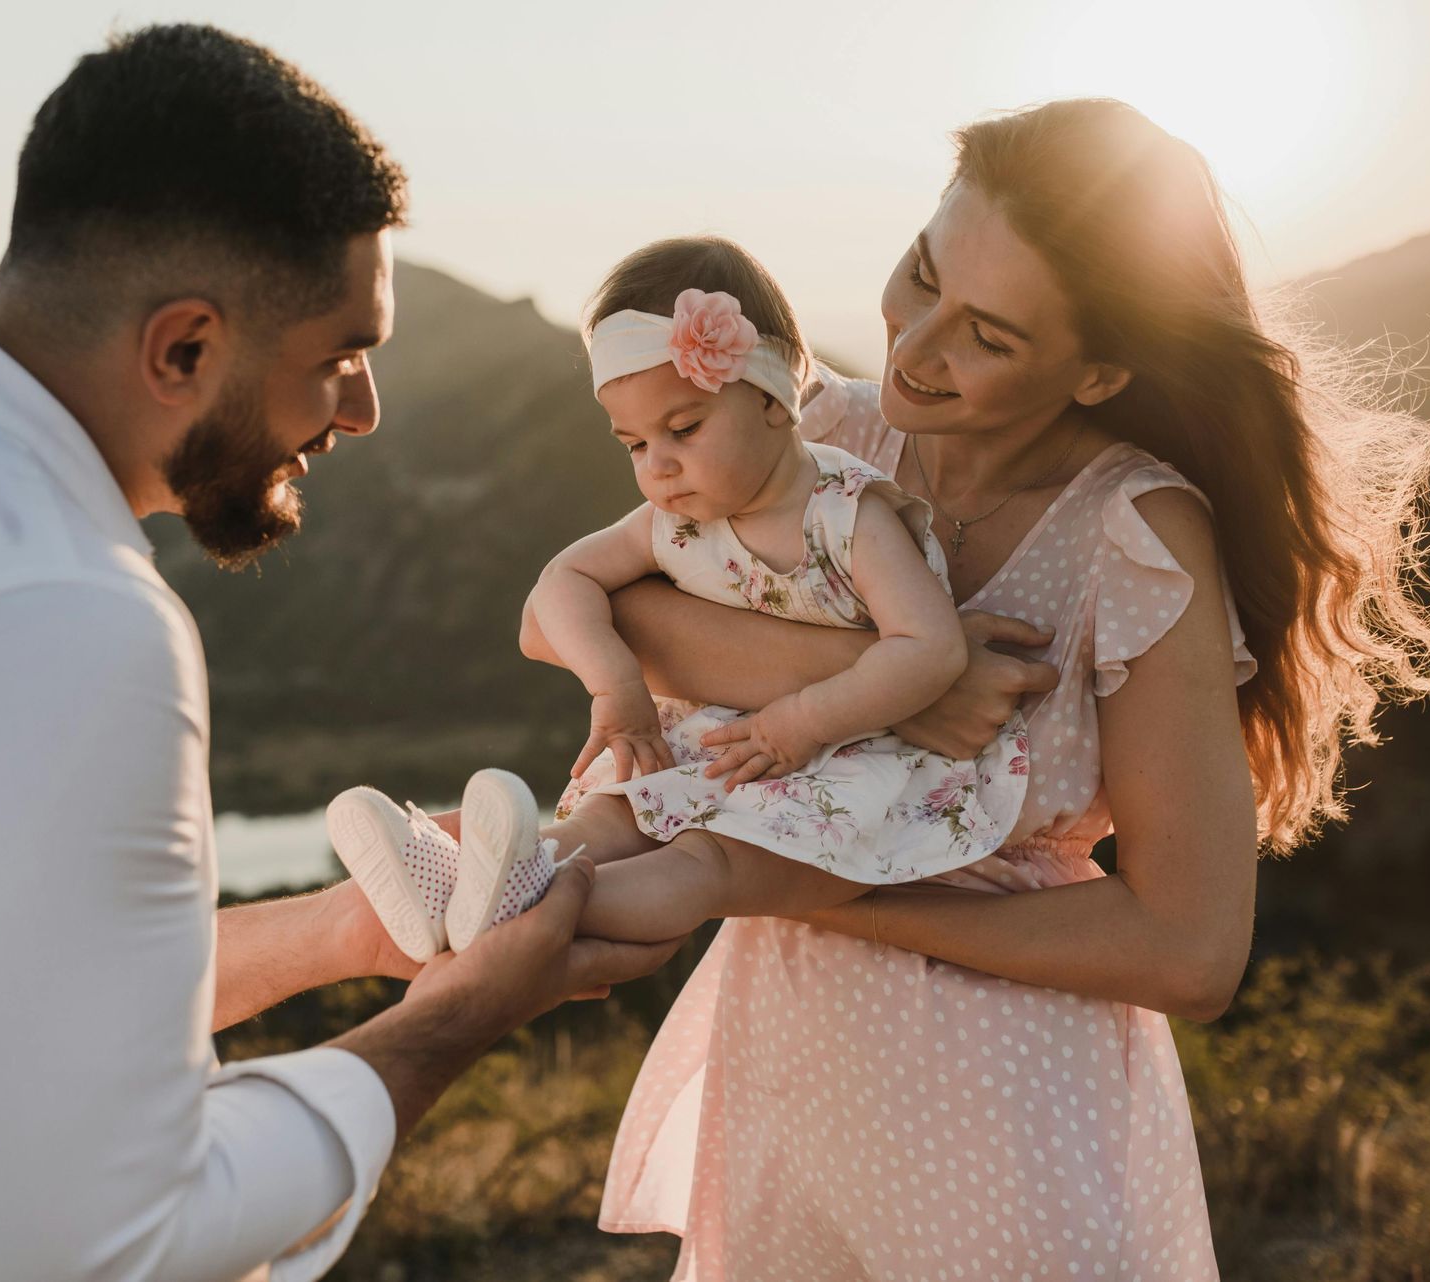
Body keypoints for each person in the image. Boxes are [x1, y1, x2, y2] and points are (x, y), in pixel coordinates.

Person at [0, 25, 675, 1282]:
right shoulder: (53, 612)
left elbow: (20, 1007)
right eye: (338, 357)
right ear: (182, 348)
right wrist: (455, 1019)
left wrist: (343, 934)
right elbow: (113, 1239)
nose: (362, 411)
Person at [526, 100, 1430, 1279]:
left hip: (999, 1113)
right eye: (922, 273)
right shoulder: (821, 438)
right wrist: (894, 683)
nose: (915, 347)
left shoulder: (1135, 536)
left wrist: (831, 895)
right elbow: (589, 609)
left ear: (1099, 368)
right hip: (790, 1076)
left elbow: (1187, 947)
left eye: (986, 334)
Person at [324, 238, 1029, 962]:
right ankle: (465, 884)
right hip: (715, 744)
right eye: (633, 444)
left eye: (684, 429)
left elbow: (932, 647)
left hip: (847, 760)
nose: (658, 466)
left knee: (701, 866)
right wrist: (615, 685)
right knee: (611, 817)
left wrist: (803, 720)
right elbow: (560, 584)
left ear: (774, 400)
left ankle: (517, 911)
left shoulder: (849, 514)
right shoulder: (678, 522)